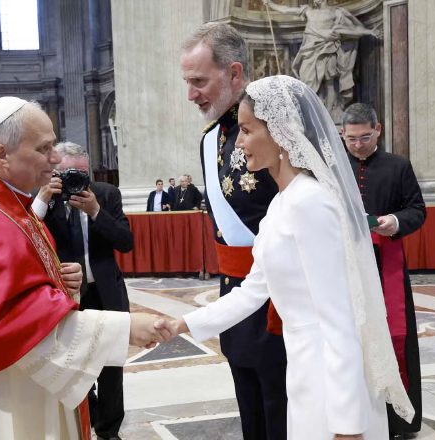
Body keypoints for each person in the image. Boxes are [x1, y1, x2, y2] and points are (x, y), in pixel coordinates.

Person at [0, 97, 171, 440]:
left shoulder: (7, 203)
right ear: (2, 155)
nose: (56, 159)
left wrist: (58, 281)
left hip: (18, 383)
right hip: (1, 391)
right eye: (44, 148)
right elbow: (11, 320)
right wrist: (124, 329)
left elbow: (18, 286)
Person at [167, 75, 414, 440]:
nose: (239, 143)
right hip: (304, 370)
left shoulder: (310, 202)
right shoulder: (282, 203)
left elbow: (341, 320)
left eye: (247, 130)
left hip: (332, 382)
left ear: (281, 134)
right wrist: (179, 325)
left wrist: (348, 425)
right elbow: (251, 292)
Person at [181, 23, 287, 440]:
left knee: (282, 403)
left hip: (279, 292)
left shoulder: (276, 127)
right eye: (188, 83)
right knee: (248, 397)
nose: (192, 94)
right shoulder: (209, 139)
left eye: (199, 81)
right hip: (234, 289)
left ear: (234, 73)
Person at [35, 141, 134, 440]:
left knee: (112, 367)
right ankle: (85, 417)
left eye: (81, 174)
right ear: (55, 172)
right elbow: (25, 236)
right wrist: (42, 199)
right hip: (66, 297)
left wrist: (96, 212)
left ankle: (108, 431)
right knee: (72, 364)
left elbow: (125, 242)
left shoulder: (106, 194)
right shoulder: (45, 197)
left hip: (106, 292)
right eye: (68, 174)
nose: (75, 181)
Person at [343, 103, 425, 439]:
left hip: (385, 262)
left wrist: (395, 220)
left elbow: (417, 209)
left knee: (393, 336)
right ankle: (355, 415)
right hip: (344, 265)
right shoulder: (333, 166)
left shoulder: (398, 165)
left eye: (364, 137)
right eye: (351, 139)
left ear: (378, 130)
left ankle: (398, 421)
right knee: (351, 337)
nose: (358, 145)